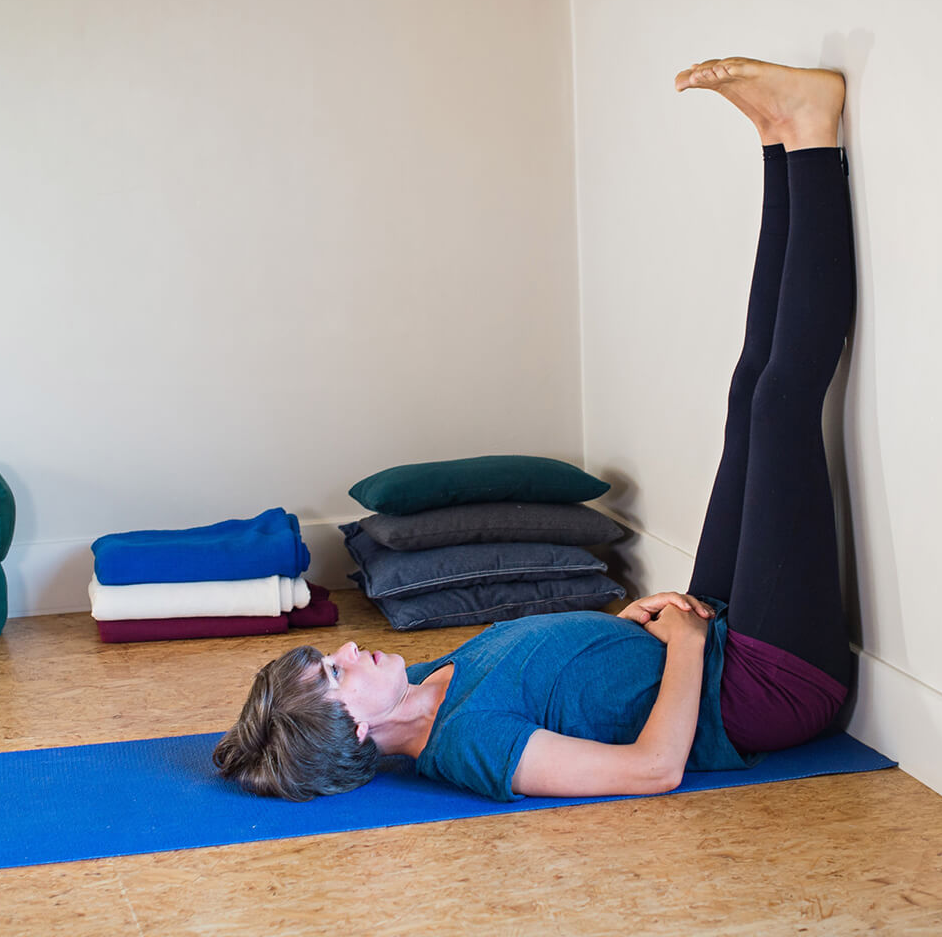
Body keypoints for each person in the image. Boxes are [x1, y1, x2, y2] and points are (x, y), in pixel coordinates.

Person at [214, 57, 856, 802]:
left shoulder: (427, 682)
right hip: (761, 686)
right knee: (780, 406)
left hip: (697, 640)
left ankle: (781, 139)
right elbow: (651, 770)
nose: (350, 650)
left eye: (329, 655)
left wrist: (638, 621)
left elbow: (575, 680)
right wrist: (685, 648)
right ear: (353, 730)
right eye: (335, 673)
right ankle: (812, 131)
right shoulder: (470, 747)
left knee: (749, 396)